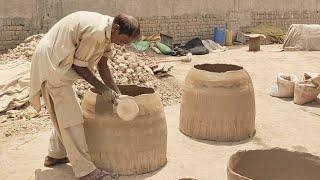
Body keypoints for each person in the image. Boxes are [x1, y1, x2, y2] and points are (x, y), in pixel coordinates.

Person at [29, 11, 140, 180]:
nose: (122, 45)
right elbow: (79, 66)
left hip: (59, 59)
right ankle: (86, 171)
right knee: (72, 120)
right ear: (116, 28)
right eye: (123, 41)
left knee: (65, 114)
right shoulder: (96, 33)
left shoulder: (108, 32)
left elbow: (103, 65)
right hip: (53, 63)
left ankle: (55, 155)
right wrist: (103, 89)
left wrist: (117, 94)